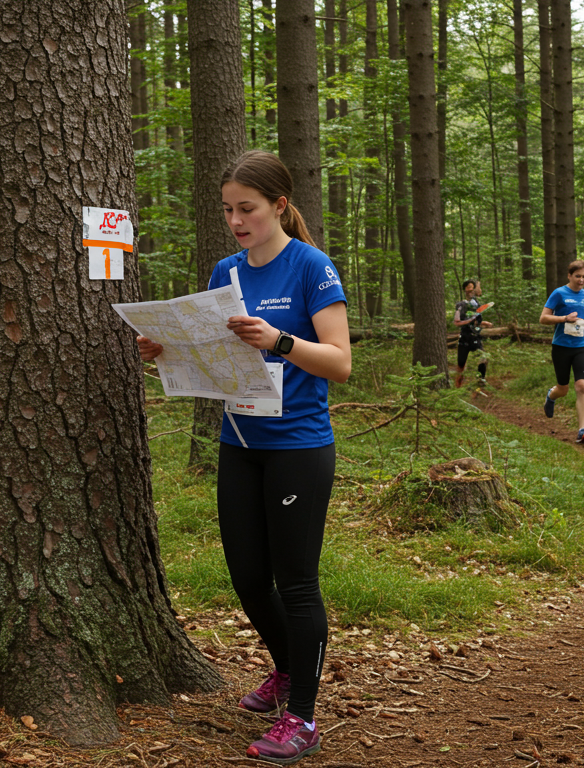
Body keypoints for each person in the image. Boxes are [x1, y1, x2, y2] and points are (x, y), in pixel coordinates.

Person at [136, 150, 351, 765]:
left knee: (297, 583)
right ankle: (285, 672)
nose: (235, 220)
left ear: (279, 206)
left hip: (299, 447)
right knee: (250, 579)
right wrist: (167, 351)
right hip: (240, 444)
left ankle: (303, 717)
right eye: (228, 209)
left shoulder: (311, 267)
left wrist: (280, 339)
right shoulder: (225, 270)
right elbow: (212, 357)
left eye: (247, 209)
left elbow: (340, 361)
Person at [539, 260, 584, 444]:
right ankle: (551, 395)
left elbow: (583, 311)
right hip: (561, 347)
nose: (581, 280)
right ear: (569, 276)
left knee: (582, 386)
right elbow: (543, 318)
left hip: (581, 346)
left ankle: (582, 430)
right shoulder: (559, 293)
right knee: (563, 389)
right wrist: (564, 318)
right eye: (578, 276)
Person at [453, 279, 493, 388]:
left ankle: (481, 381)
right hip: (464, 338)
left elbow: (476, 321)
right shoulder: (460, 305)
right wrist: (469, 321)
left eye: (472, 288)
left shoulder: (476, 304)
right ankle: (457, 389)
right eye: (469, 288)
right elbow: (459, 322)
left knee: (484, 358)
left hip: (475, 337)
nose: (471, 290)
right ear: (465, 289)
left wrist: (483, 323)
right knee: (461, 365)